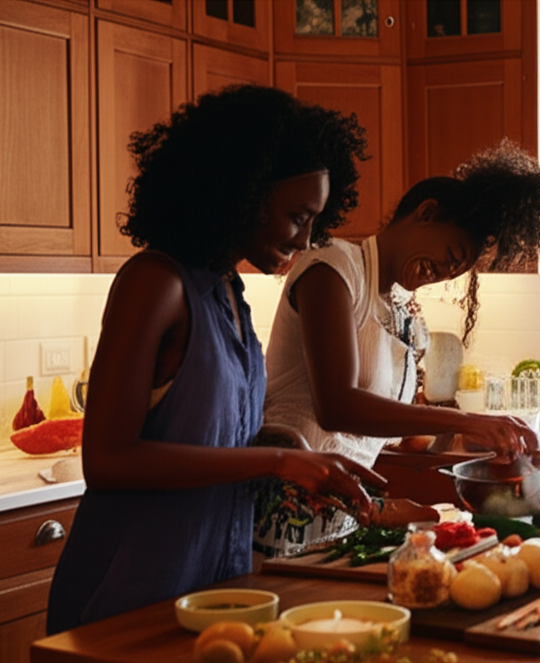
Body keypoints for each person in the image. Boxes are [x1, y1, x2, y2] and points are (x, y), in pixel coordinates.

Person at [46, 84, 389, 634]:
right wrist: (273, 463)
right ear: (241, 192)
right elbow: (107, 459)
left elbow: (204, 435)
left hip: (210, 592)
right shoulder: (154, 283)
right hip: (127, 596)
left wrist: (281, 445)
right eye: (297, 215)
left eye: (315, 222)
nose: (306, 239)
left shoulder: (229, 290)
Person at [261, 138, 540, 472]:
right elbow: (337, 408)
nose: (441, 273)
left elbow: (390, 432)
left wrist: (493, 438)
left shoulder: (398, 309)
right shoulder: (333, 265)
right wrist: (464, 421)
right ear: (426, 213)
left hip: (341, 502)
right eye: (450, 256)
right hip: (287, 500)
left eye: (454, 272)